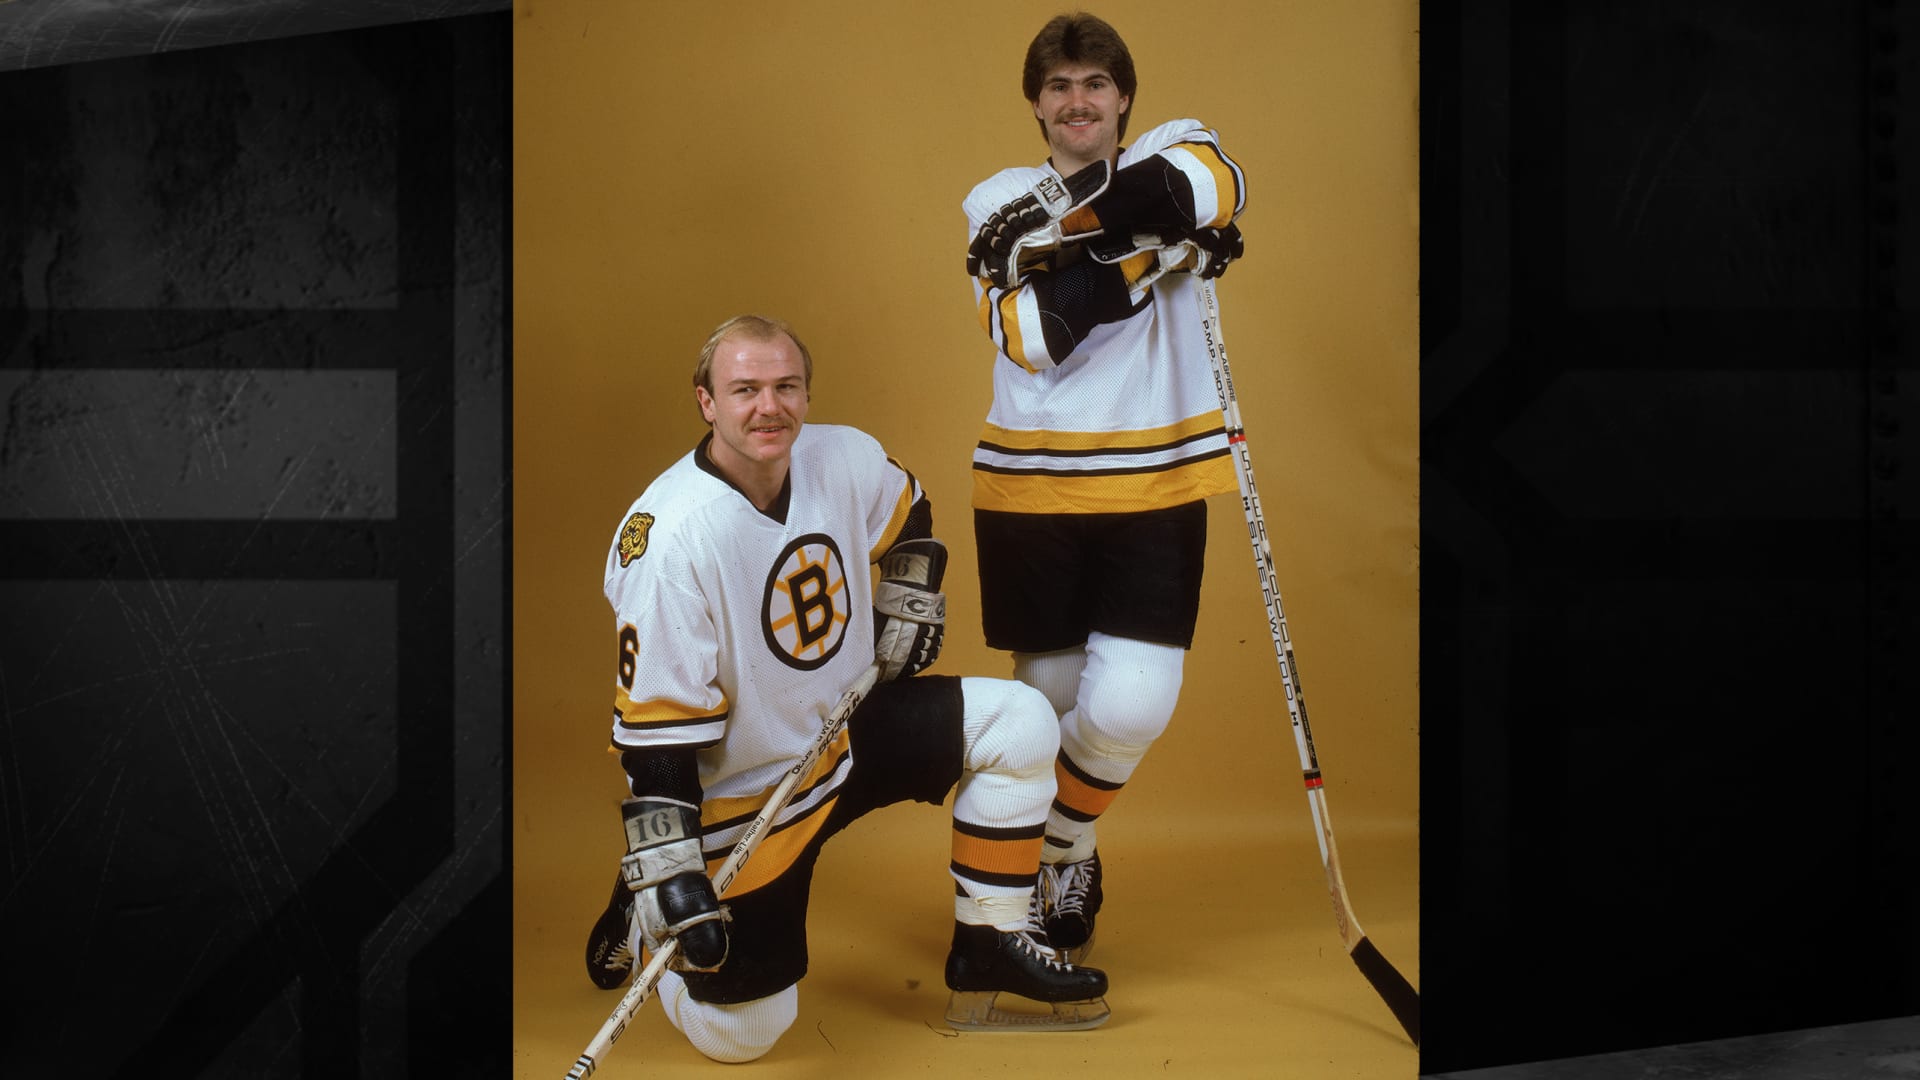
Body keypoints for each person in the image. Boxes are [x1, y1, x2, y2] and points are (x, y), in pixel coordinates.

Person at [581, 314, 1110, 1063]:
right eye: (745, 390)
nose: (770, 407)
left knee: (1021, 720)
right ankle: (646, 925)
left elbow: (909, 512)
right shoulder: (668, 540)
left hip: (852, 729)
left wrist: (910, 592)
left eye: (786, 386)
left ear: (805, 392)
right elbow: (656, 738)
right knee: (744, 1037)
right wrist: (672, 868)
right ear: (706, 402)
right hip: (751, 791)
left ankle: (988, 946)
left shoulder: (842, 454)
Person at [959, 12, 1248, 963]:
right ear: (1036, 103)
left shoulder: (1174, 142)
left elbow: (1214, 185)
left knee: (1130, 707)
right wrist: (1167, 245)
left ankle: (1056, 845)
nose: (1076, 101)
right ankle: (1057, 868)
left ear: (1123, 96)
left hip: (1157, 478)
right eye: (1058, 86)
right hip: (1030, 489)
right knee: (1041, 714)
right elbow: (1036, 335)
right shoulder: (997, 197)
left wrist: (1080, 245)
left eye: (1094, 84)